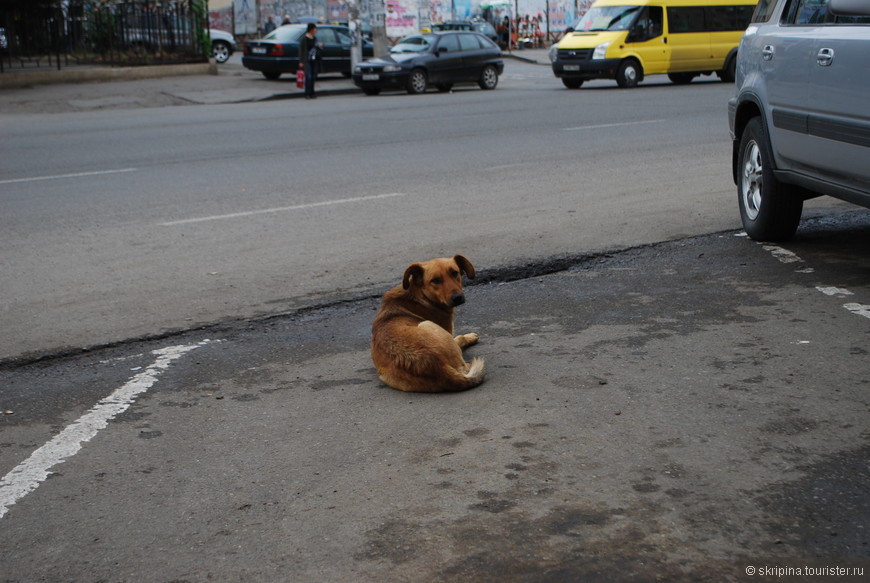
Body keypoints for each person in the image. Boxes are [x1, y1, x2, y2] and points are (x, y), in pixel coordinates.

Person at [298, 23, 322, 99]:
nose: (316, 30)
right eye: (315, 29)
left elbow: (316, 47)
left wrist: (319, 46)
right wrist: (301, 61)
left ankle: (312, 92)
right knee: (308, 77)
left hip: (314, 60)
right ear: (311, 29)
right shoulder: (304, 39)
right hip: (307, 60)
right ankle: (307, 93)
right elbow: (301, 50)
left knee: (313, 77)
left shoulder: (314, 38)